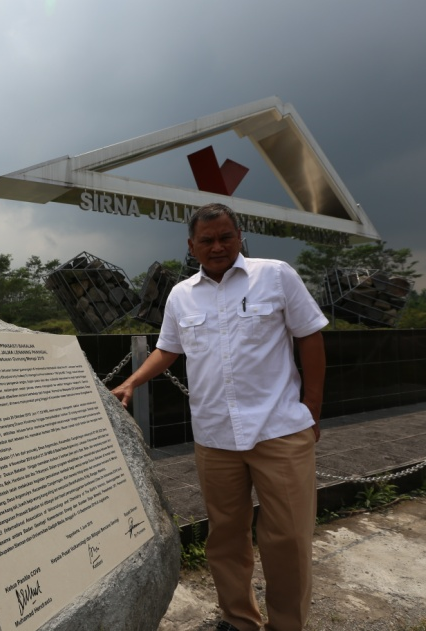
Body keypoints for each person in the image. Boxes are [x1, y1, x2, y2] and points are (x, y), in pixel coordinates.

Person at [111, 203, 327, 631]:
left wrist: (312, 409)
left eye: (225, 237)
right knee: (225, 535)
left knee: (288, 538)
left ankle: (286, 625)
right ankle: (238, 618)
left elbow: (310, 336)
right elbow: (167, 348)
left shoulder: (276, 275)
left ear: (240, 237)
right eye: (206, 240)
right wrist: (132, 381)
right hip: (214, 437)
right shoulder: (181, 294)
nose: (217, 247)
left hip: (279, 430)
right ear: (191, 246)